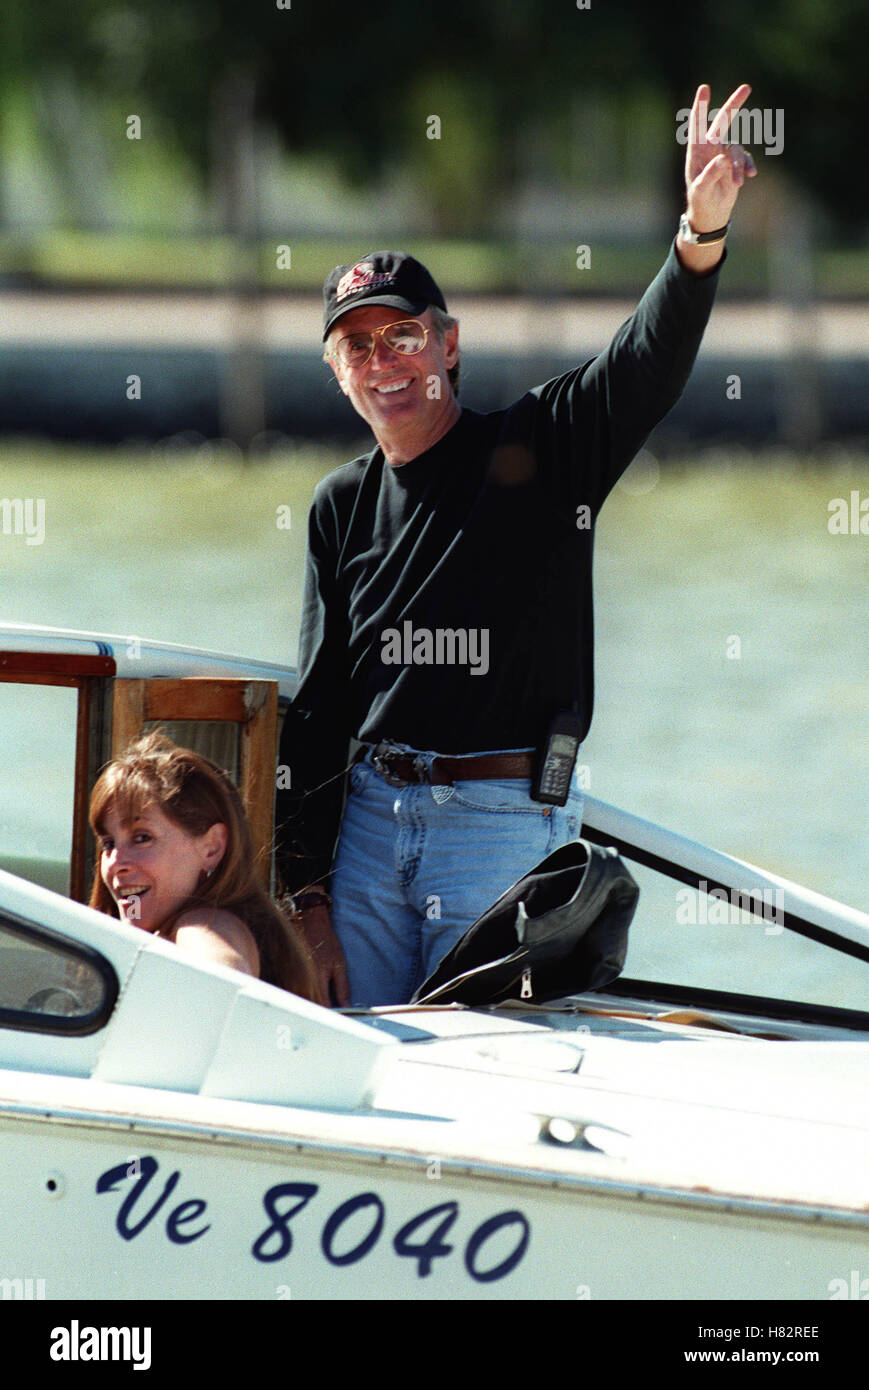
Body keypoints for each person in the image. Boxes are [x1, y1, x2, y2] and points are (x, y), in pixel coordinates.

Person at [276, 83, 757, 1008]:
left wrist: (696, 239)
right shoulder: (338, 505)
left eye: (403, 335)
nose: (385, 362)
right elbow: (319, 709)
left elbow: (641, 366)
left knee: (484, 1080)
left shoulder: (541, 448)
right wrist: (306, 899)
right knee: (370, 1074)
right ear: (338, 375)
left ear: (448, 346)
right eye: (358, 347)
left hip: (501, 827)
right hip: (367, 834)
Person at [90, 732, 320, 1002]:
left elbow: (226, 980)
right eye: (108, 843)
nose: (116, 863)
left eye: (142, 838)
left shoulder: (202, 924)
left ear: (211, 848)